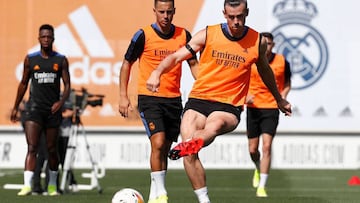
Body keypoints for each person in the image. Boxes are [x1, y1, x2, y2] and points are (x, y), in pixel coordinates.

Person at [146, 1, 292, 202]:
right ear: (224, 13)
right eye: (231, 17)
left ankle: (194, 143)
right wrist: (157, 72)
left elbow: (266, 71)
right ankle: (204, 198)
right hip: (199, 99)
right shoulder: (208, 34)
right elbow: (177, 56)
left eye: (240, 16)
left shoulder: (256, 41)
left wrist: (279, 99)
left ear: (246, 13)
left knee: (215, 124)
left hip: (228, 105)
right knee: (189, 154)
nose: (236, 21)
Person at [119, 1, 198, 203]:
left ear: (174, 12)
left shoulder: (184, 35)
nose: (165, 16)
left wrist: (208, 88)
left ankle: (155, 192)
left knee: (165, 147)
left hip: (173, 100)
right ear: (154, 11)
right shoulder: (143, 35)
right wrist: (123, 95)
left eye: (169, 12)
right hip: (149, 98)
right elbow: (127, 63)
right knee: (159, 141)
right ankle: (162, 193)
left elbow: (193, 64)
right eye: (161, 12)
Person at [10, 24, 71, 196]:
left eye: (49, 37)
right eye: (43, 37)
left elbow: (67, 86)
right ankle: (27, 185)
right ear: (39, 39)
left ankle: (52, 185)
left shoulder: (61, 60)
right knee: (32, 147)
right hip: (34, 109)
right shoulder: (31, 59)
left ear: (53, 39)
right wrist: (15, 107)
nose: (46, 40)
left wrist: (61, 102)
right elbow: (23, 83)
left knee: (52, 149)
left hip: (52, 110)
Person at [246, 32, 291, 197]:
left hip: (271, 107)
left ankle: (262, 187)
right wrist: (245, 95)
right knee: (252, 149)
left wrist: (283, 97)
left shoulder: (281, 61)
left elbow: (287, 82)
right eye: (264, 43)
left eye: (270, 43)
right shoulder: (252, 60)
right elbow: (240, 79)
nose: (267, 47)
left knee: (266, 146)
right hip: (253, 107)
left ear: (273, 45)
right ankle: (257, 168)